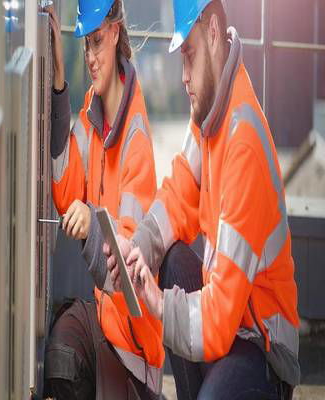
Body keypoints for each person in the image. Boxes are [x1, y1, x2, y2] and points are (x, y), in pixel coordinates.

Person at [104, 0, 300, 399]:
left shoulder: (242, 140)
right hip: (232, 326)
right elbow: (177, 196)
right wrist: (138, 248)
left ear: (213, 35)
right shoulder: (211, 114)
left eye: (188, 54)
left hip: (264, 350)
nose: (183, 76)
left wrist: (159, 304)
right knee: (171, 258)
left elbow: (218, 319)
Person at [43, 1, 164, 399]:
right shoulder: (93, 116)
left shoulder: (136, 143)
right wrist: (59, 82)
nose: (91, 57)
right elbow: (66, 192)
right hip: (103, 319)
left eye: (96, 42)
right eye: (85, 46)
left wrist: (91, 220)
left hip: (132, 345)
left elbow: (123, 278)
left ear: (114, 33)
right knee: (61, 352)